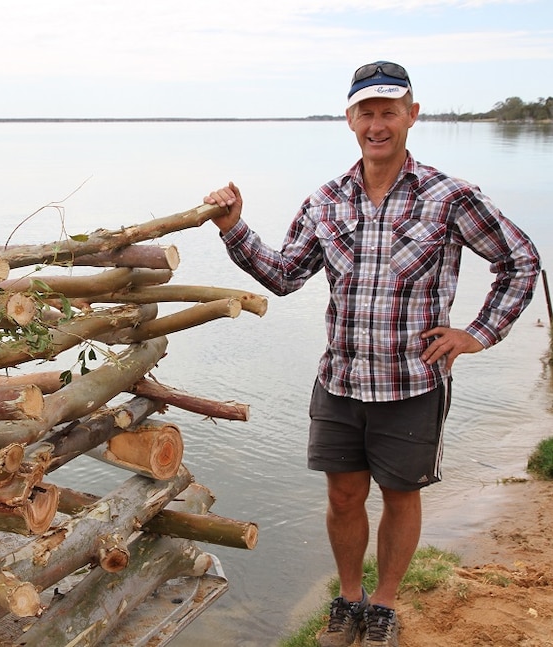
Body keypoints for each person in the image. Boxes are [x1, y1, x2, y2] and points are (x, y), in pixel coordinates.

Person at [204, 61, 541, 647]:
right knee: (342, 495)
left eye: (390, 110)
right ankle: (349, 599)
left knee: (401, 495)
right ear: (350, 119)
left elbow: (520, 260)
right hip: (339, 377)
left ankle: (383, 604)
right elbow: (284, 276)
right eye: (367, 112)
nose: (378, 124)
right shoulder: (326, 200)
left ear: (412, 115)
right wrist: (234, 227)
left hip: (412, 382)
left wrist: (477, 333)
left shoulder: (449, 196)